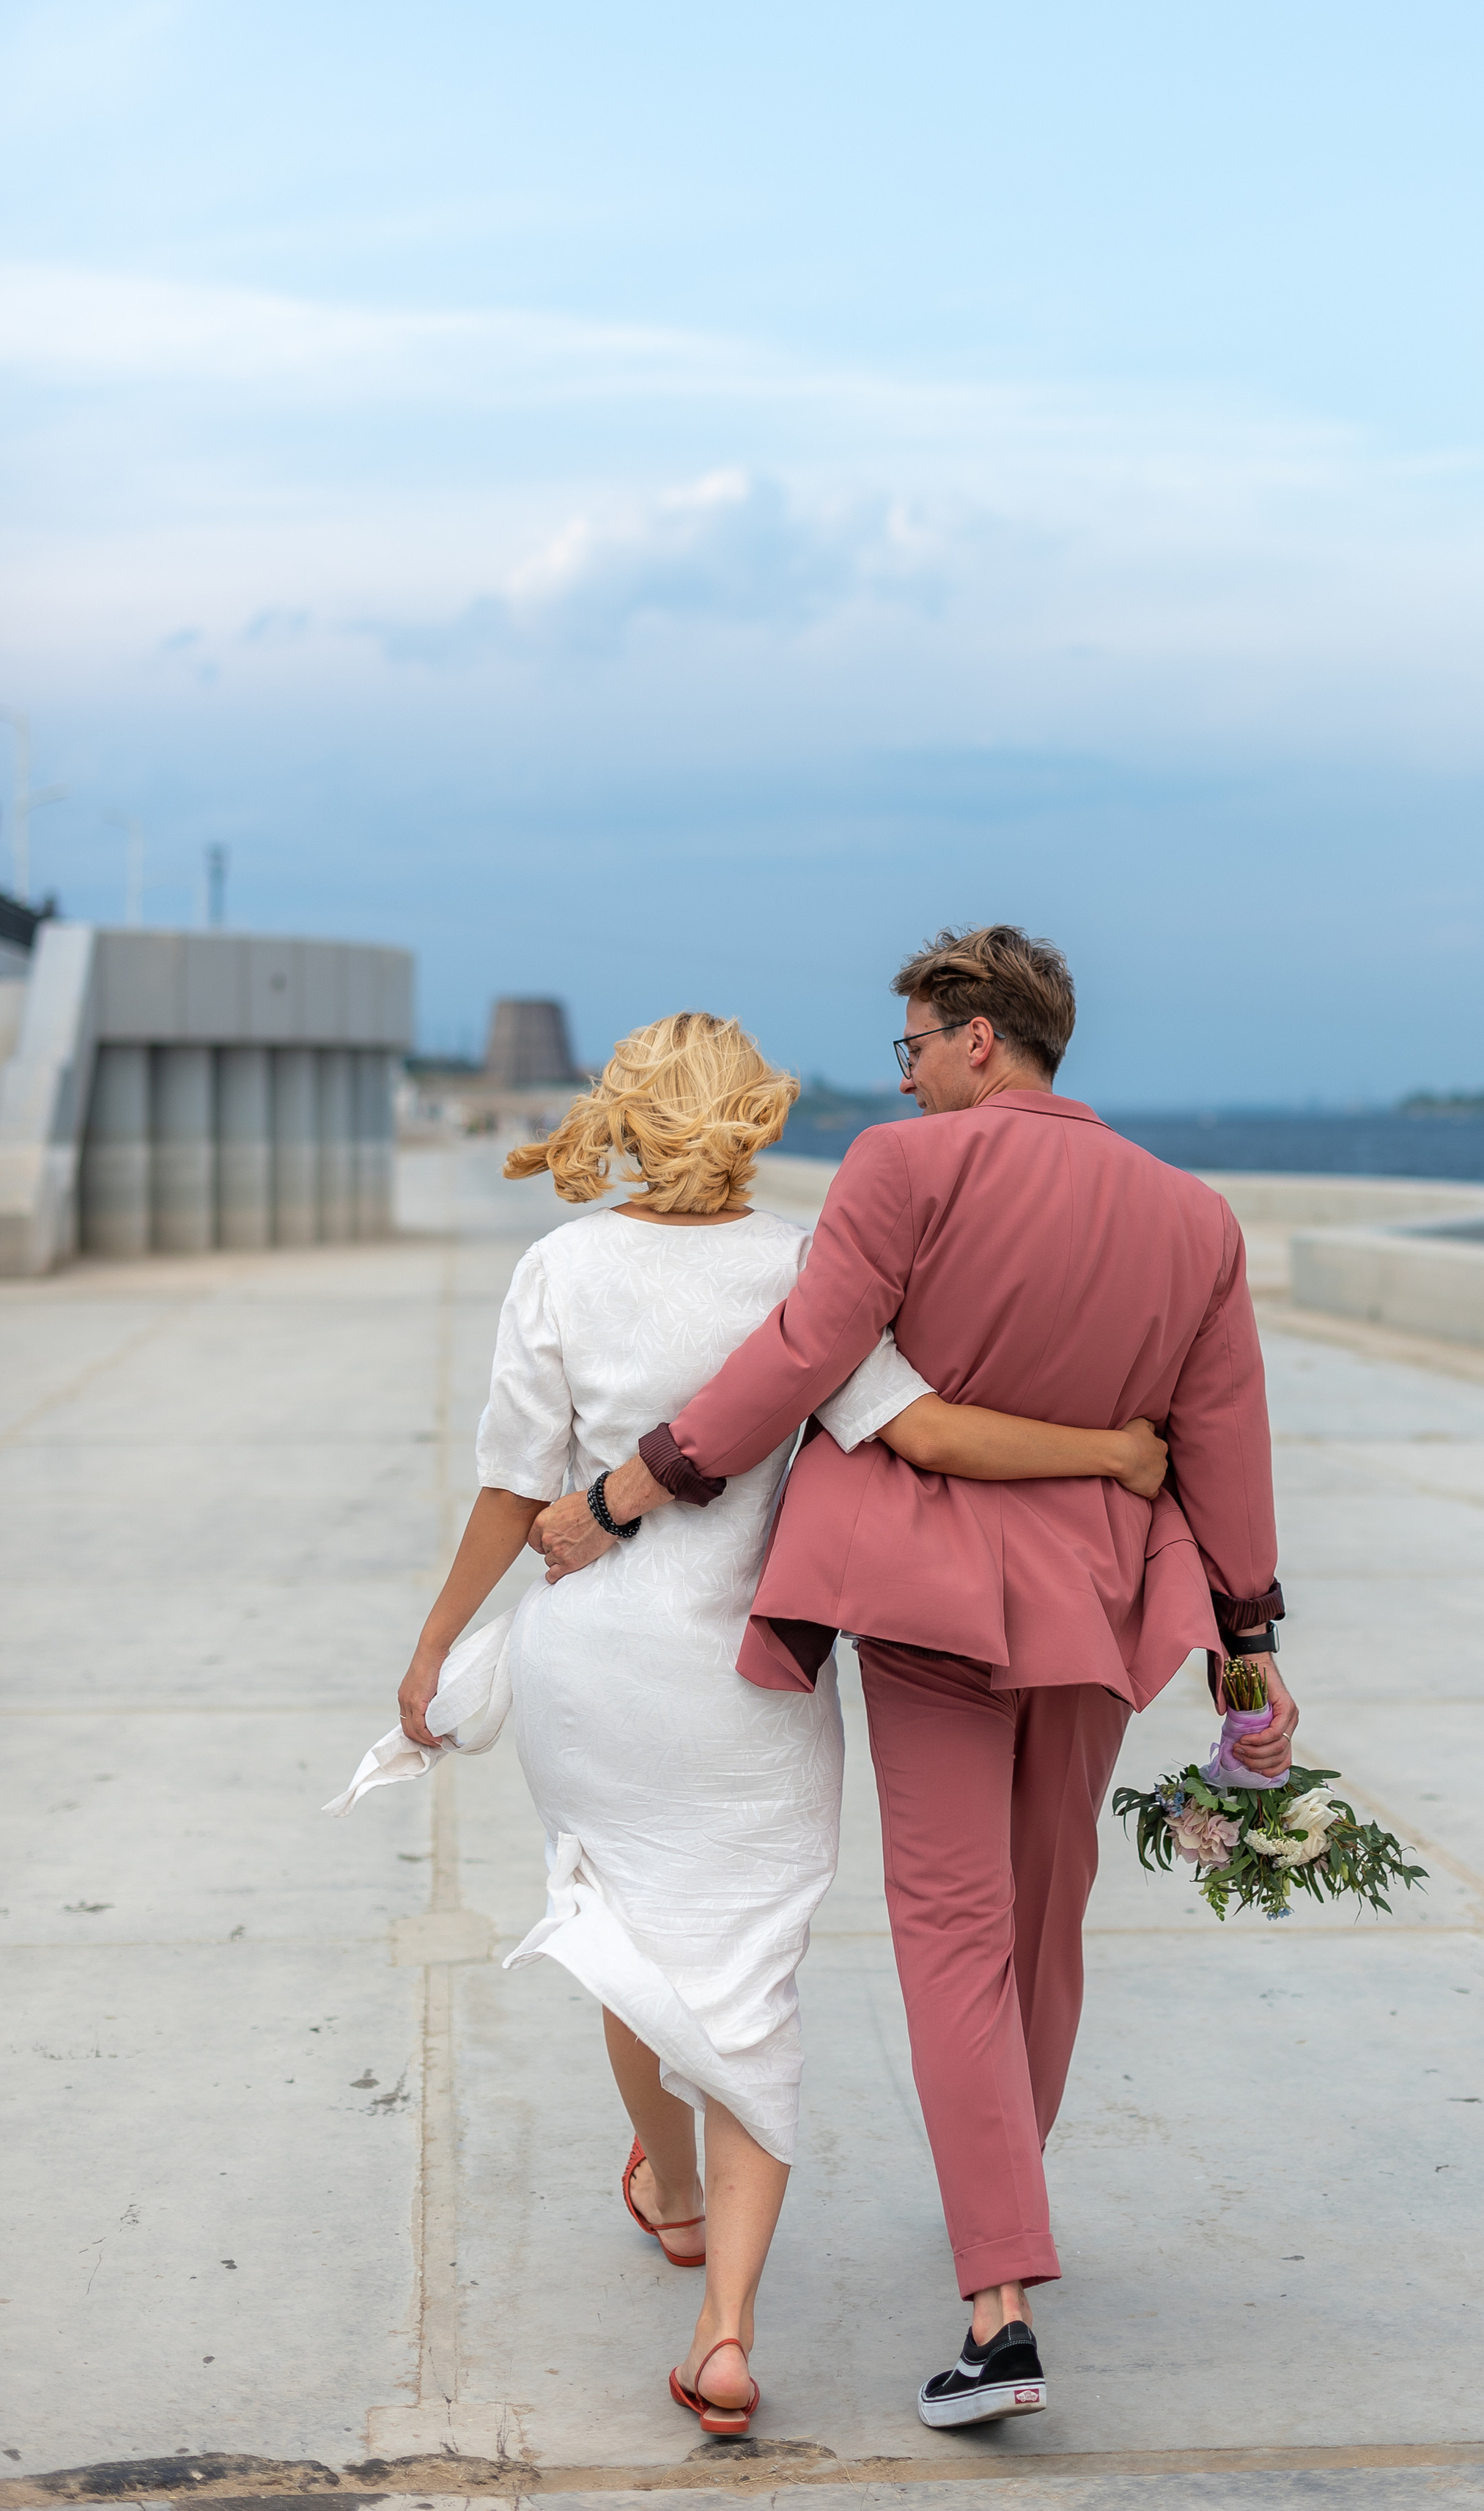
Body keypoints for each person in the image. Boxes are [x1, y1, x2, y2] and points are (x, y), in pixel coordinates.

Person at [531, 930, 1298, 2430]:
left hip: (932, 1602)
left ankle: (1000, 2311)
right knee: (1043, 1919)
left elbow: (805, 1355)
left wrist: (633, 1490)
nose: (903, 1076)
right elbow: (1225, 1436)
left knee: (951, 1931)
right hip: (1099, 1605)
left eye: (908, 1049)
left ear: (973, 1042)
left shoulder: (900, 1169)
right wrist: (1249, 1644)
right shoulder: (1192, 1216)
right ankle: (994, 2247)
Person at [385, 1011, 1175, 2441]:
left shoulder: (558, 1265)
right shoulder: (810, 1262)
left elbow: (514, 1490)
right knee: (751, 1978)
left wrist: (437, 1642)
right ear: (757, 1119)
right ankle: (728, 2332)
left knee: (620, 1927)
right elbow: (926, 1433)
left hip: (596, 1662)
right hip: (758, 1671)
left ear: (622, 1119)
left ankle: (669, 2191)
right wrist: (1111, 1452)